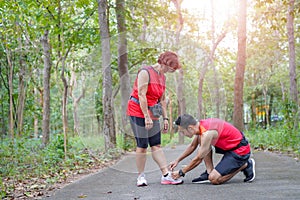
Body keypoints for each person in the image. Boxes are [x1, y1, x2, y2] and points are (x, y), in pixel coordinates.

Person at [127, 51, 183, 186]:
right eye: (172, 68)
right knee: (142, 145)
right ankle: (140, 177)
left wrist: (165, 118)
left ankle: (165, 175)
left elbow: (162, 99)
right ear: (165, 63)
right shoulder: (145, 72)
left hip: (153, 112)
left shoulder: (163, 77)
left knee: (156, 144)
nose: (172, 71)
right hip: (137, 111)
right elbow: (141, 95)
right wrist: (146, 116)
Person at [170, 114, 255, 185]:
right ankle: (209, 171)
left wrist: (181, 172)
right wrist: (177, 160)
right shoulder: (200, 127)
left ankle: (246, 164)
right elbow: (192, 146)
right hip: (230, 147)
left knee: (214, 179)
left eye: (182, 131)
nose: (182, 134)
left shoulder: (207, 133)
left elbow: (198, 159)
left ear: (190, 128)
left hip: (240, 150)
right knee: (200, 139)